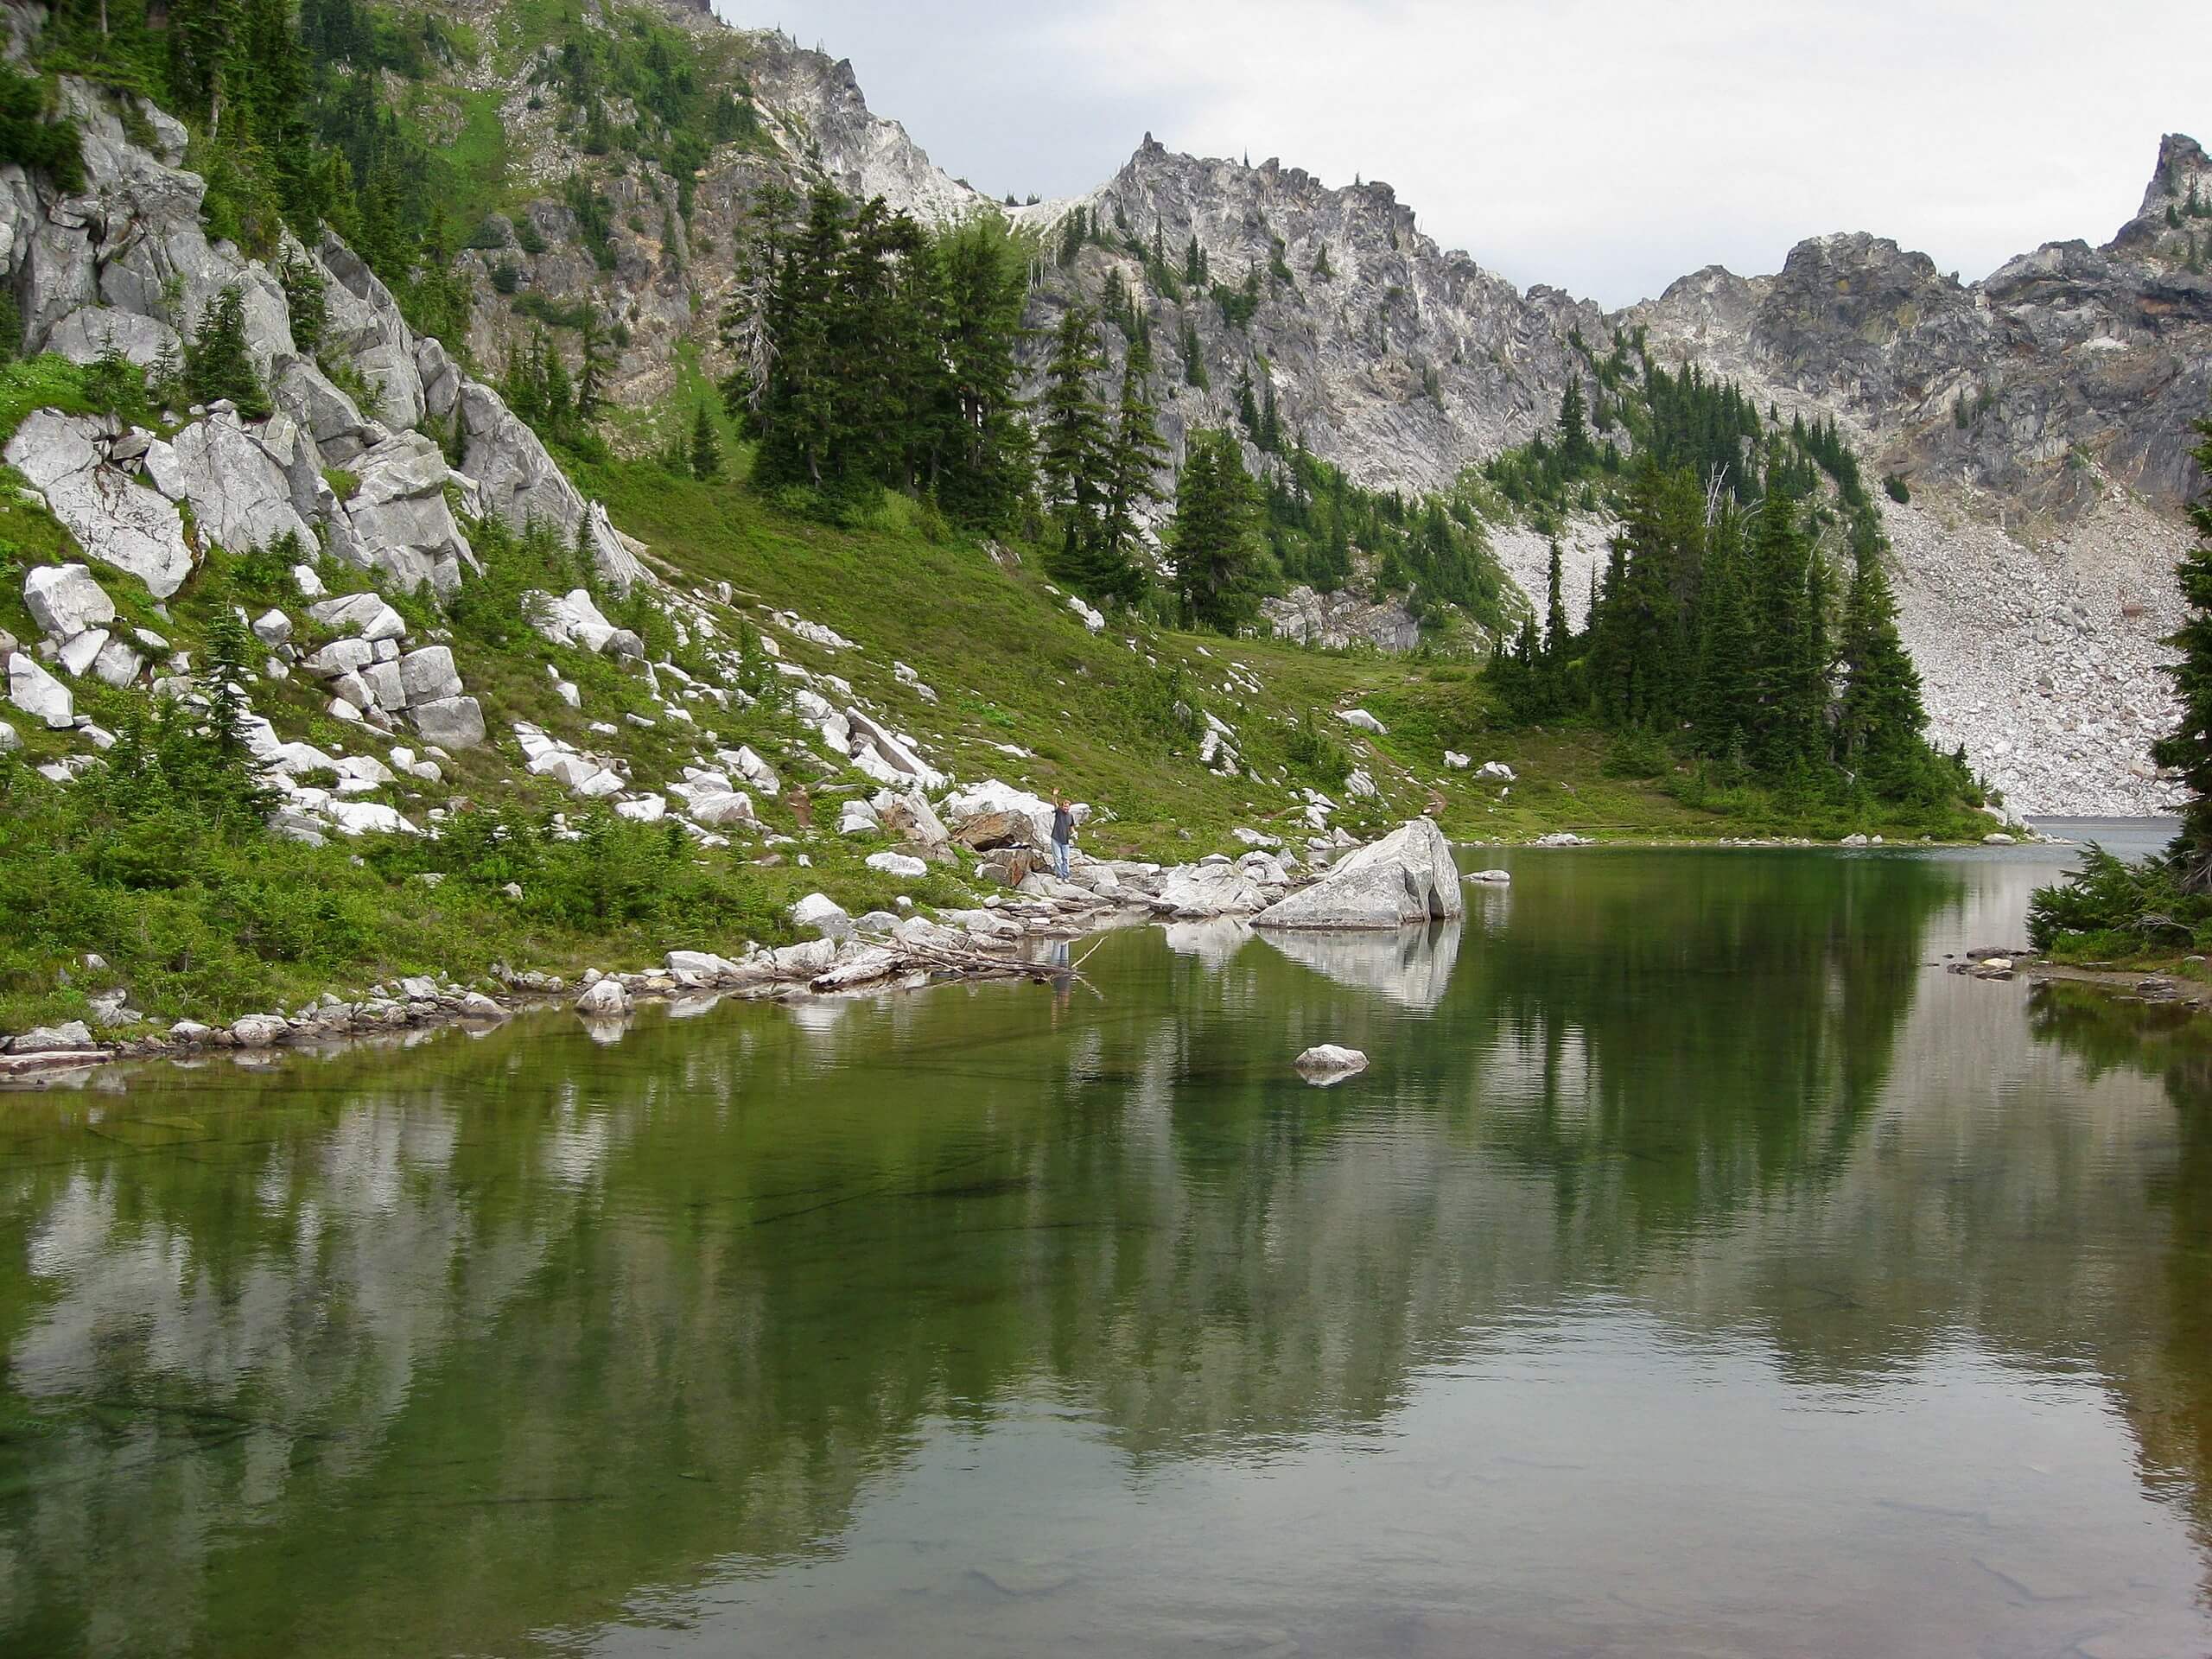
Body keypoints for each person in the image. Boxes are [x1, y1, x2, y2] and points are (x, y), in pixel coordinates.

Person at [1050, 791, 1075, 880]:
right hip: (1056, 839)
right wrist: (1054, 795)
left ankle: (1066, 875)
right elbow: (1054, 803)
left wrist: (1074, 833)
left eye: (1067, 807)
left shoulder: (1070, 816)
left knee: (1066, 859)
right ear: (1062, 806)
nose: (1066, 808)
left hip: (1065, 841)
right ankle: (1059, 876)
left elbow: (1071, 826)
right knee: (1058, 859)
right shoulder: (1059, 811)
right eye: (1065, 806)